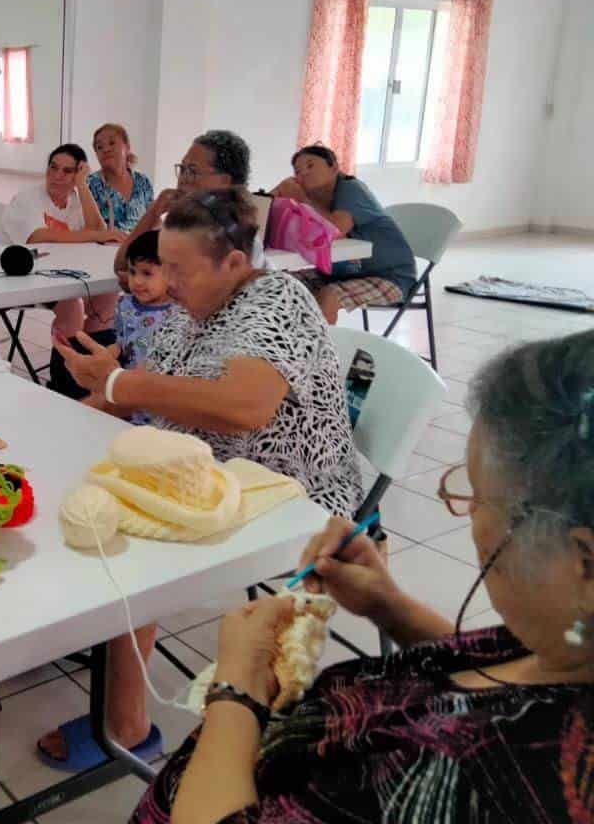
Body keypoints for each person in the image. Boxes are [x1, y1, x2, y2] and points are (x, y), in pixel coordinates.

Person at [132, 329, 594, 823]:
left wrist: (237, 691)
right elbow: (505, 678)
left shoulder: (477, 779)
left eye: (479, 497)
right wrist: (387, 604)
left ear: (583, 561)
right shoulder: (570, 640)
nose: (471, 518)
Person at [40, 189, 361, 771]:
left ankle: (128, 726)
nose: (167, 281)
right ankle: (62, 629)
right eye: (162, 265)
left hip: (287, 496)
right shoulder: (191, 311)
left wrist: (121, 388)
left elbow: (245, 407)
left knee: (124, 539)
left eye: (179, 269)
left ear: (234, 264)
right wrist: (75, 408)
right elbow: (145, 390)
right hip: (205, 471)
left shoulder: (277, 299)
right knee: (71, 486)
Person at [3, 143, 123, 399]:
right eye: (53, 167)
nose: (58, 176)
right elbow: (40, 237)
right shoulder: (28, 198)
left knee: (109, 296)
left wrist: (83, 186)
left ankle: (94, 376)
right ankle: (64, 386)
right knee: (72, 307)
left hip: (65, 273)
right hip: (24, 277)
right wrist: (99, 234)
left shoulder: (76, 198)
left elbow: (97, 230)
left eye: (68, 172)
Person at [273, 143, 417, 325]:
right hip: (340, 274)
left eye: (310, 166)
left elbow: (333, 231)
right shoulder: (316, 200)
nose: (303, 174)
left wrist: (302, 200)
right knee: (277, 283)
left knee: (329, 295)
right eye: (298, 172)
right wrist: (278, 193)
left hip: (389, 277)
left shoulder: (351, 188)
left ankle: (322, 353)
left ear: (333, 166)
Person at [114, 129, 263, 276]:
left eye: (192, 171)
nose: (182, 179)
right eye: (182, 169)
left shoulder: (237, 238)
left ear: (224, 181)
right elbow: (122, 265)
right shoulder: (183, 224)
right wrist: (153, 213)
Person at [90, 228, 173, 427]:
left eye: (147, 273)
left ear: (172, 273)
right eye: (132, 272)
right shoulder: (125, 305)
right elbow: (121, 341)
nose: (137, 281)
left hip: (158, 399)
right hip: (125, 393)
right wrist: (105, 355)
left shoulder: (179, 313)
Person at [87, 123, 155, 235]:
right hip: (104, 249)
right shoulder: (90, 184)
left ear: (127, 147)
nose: (106, 149)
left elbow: (154, 220)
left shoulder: (142, 181)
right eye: (100, 147)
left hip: (141, 248)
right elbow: (89, 227)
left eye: (112, 143)